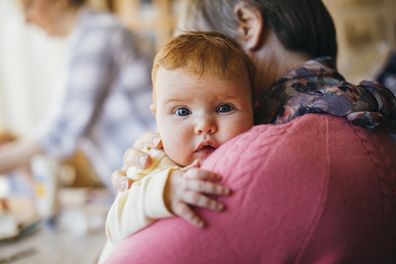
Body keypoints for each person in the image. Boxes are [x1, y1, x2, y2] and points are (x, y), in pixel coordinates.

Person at [109, 0, 396, 263]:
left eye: (206, 47)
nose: (203, 125)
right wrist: (149, 184)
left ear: (247, 24)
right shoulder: (366, 121)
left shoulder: (261, 160)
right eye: (182, 110)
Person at [100, 31, 255, 263]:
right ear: (157, 119)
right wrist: (162, 191)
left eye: (224, 108)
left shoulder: (251, 156)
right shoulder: (154, 163)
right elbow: (114, 226)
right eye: (182, 112)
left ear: (255, 110)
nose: (204, 126)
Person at [0, 0, 154, 191]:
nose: (26, 19)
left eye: (29, 5)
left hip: (151, 172)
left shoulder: (97, 34)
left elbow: (62, 129)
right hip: (144, 177)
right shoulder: (87, 37)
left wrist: (4, 160)